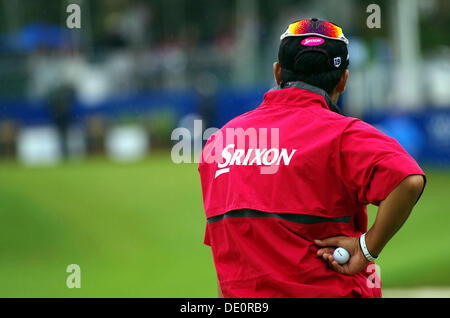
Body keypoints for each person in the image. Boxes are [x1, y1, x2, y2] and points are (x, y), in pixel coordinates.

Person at [198, 18, 426, 298]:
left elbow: (227, 253)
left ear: (277, 73)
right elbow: (408, 180)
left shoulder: (219, 142)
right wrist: (367, 248)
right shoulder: (345, 134)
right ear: (343, 80)